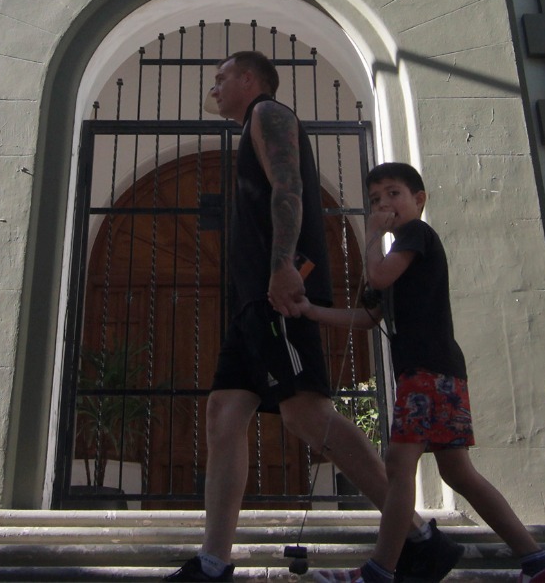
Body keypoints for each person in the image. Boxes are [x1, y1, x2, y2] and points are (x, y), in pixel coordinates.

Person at [166, 53, 462, 583]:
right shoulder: (253, 125)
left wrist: (282, 264)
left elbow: (290, 188)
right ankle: (213, 563)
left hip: (281, 294)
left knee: (306, 414)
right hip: (253, 304)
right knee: (223, 413)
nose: (214, 85)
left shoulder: (269, 114)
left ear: (250, 80)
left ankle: (418, 537)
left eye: (222, 77)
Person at [302, 163, 545, 583]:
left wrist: (371, 235)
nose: (384, 204)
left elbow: (377, 274)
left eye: (393, 194)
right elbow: (368, 316)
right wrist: (309, 312)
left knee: (397, 465)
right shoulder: (397, 254)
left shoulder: (415, 236)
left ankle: (379, 571)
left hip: (428, 370)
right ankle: (540, 564)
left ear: (418, 199)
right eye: (375, 199)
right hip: (437, 370)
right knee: (458, 472)